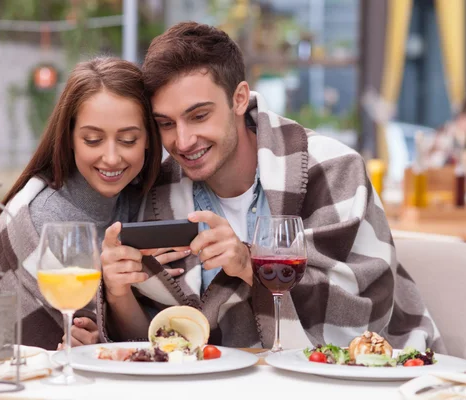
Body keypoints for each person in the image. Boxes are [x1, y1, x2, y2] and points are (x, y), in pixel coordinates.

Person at [99, 22, 445, 351]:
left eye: (199, 116)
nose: (184, 140)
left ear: (239, 98)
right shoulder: (156, 191)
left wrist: (250, 265)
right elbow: (153, 342)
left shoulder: (334, 169)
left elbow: (360, 313)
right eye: (166, 123)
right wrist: (117, 293)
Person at [0, 57, 187, 367]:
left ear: (148, 139)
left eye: (128, 139)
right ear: (69, 139)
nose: (111, 157)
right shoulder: (49, 220)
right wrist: (93, 329)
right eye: (92, 139)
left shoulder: (141, 203)